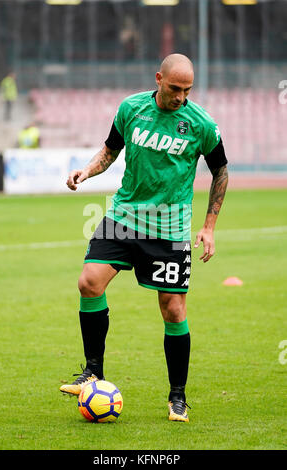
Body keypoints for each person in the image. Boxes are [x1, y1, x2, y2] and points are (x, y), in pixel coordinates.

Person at [60, 54, 228, 423]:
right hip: (124, 215)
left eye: (187, 90)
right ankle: (93, 371)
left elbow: (220, 171)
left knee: (173, 309)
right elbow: (110, 151)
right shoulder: (131, 109)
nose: (180, 97)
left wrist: (209, 226)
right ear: (158, 79)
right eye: (174, 88)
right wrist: (87, 171)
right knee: (89, 283)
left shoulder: (200, 124)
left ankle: (177, 396)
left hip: (169, 227)